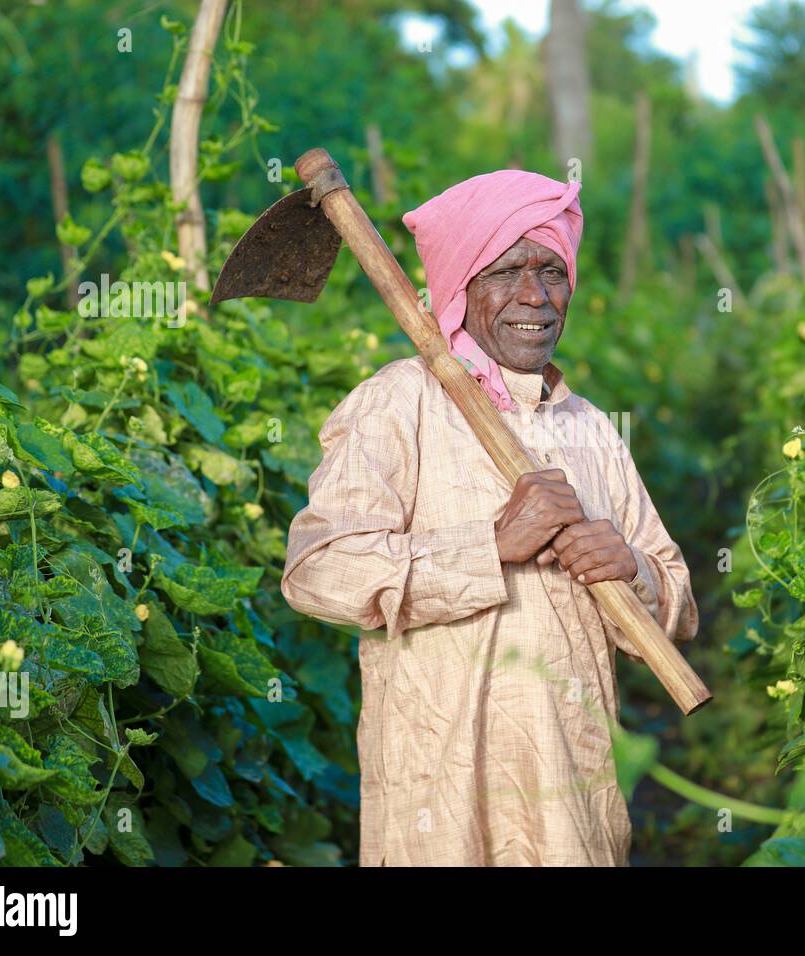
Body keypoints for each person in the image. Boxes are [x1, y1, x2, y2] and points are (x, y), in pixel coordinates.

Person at [280, 168, 698, 866]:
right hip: (439, 806)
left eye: (551, 271)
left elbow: (677, 602)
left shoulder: (592, 429)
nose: (535, 297)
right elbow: (317, 573)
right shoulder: (397, 404)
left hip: (574, 802)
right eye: (506, 271)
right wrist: (492, 545)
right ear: (460, 289)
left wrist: (631, 566)